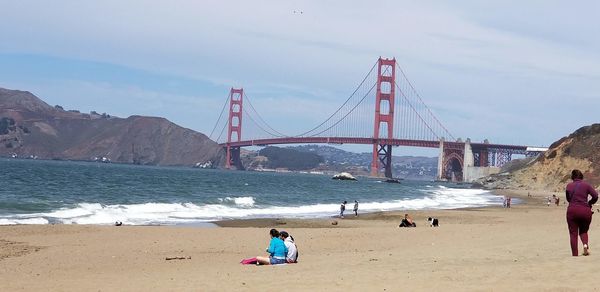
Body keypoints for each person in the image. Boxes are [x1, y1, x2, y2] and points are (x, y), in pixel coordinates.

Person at [565, 169, 598, 256]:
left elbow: (568, 199)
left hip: (572, 210)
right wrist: (590, 203)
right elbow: (595, 196)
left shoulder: (569, 186)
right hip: (585, 210)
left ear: (572, 177)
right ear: (581, 176)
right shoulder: (586, 185)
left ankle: (575, 254)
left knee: (573, 233)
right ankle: (585, 244)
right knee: (584, 231)